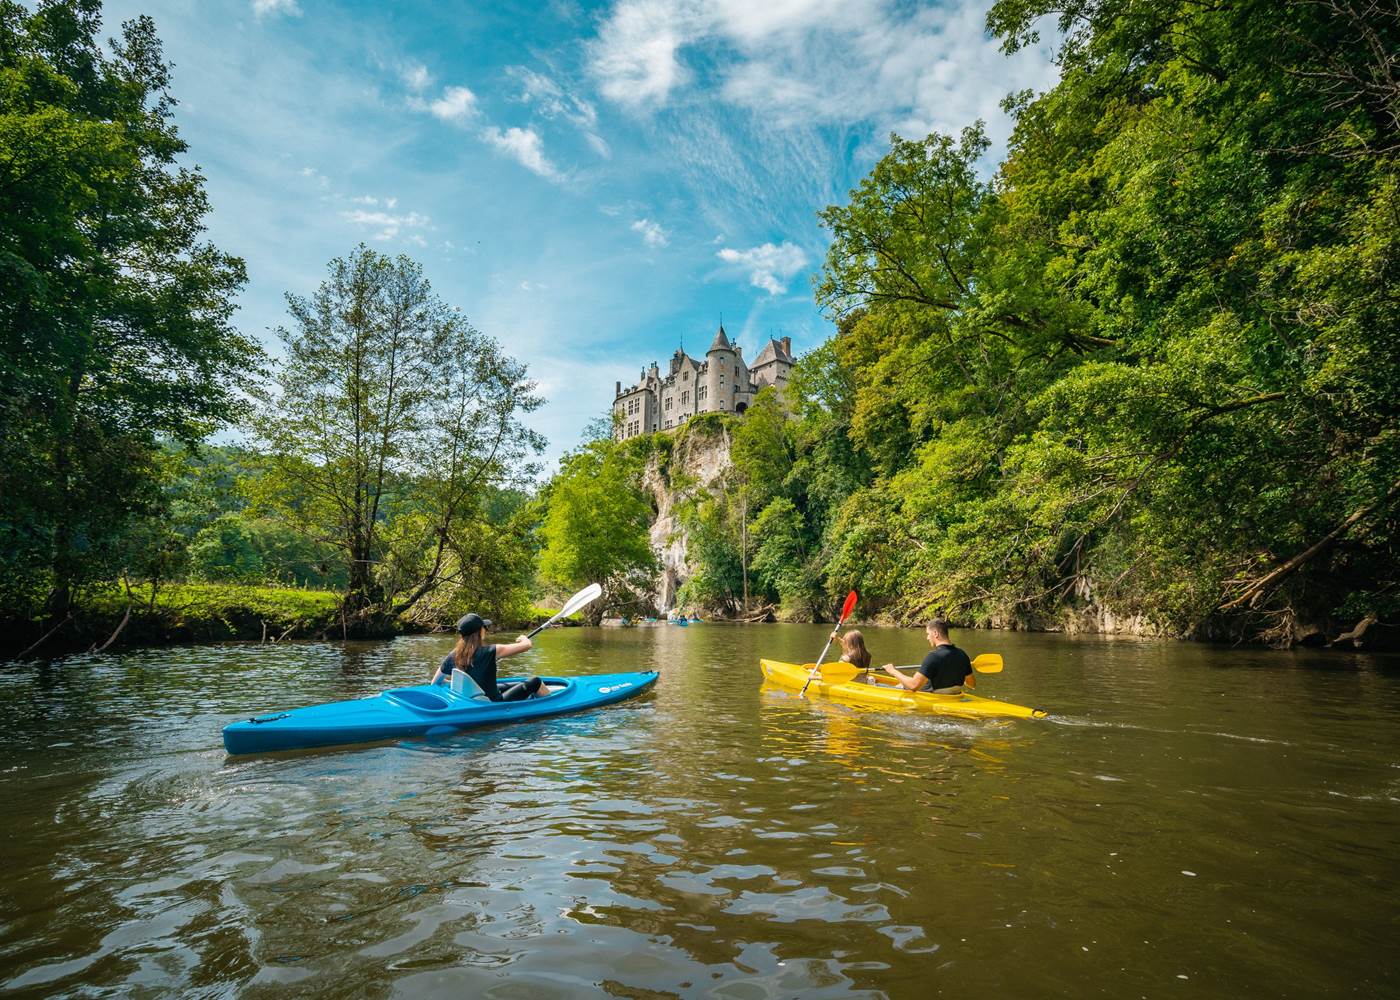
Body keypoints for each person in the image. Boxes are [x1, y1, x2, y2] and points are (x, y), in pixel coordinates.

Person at [430, 613, 548, 701]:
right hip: (494, 701)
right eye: (484, 627)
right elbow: (527, 645)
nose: (485, 630)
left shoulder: (453, 655)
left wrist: (458, 683)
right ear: (479, 631)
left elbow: (435, 682)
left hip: (470, 699)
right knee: (535, 681)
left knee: (515, 683)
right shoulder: (491, 651)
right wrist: (523, 638)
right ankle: (552, 704)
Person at [882, 619, 975, 694]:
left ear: (935, 633)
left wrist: (893, 671)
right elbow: (972, 684)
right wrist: (957, 669)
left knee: (881, 686)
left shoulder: (933, 656)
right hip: (954, 697)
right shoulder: (962, 655)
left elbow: (913, 686)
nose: (927, 637)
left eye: (928, 634)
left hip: (934, 697)